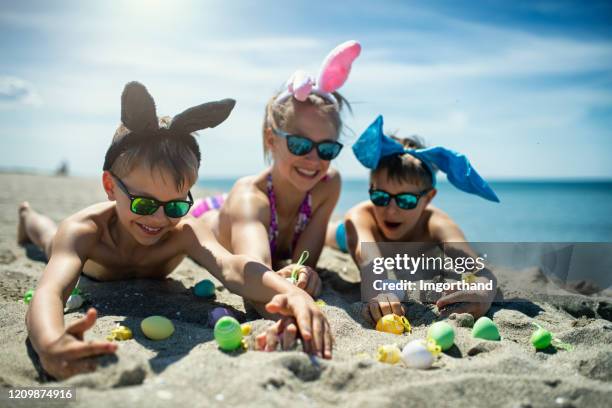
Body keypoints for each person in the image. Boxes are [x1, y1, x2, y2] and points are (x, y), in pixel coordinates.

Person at [18, 81, 332, 379]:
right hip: (96, 267)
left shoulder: (182, 230)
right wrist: (50, 344)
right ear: (110, 186)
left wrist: (288, 291)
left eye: (174, 206)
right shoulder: (84, 231)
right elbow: (50, 291)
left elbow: (232, 267)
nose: (158, 219)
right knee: (47, 237)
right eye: (143, 204)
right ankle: (27, 215)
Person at [192, 41, 361, 352]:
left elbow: (301, 262)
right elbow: (254, 269)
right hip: (219, 213)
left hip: (268, 221)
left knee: (333, 234)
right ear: (272, 140)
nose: (313, 159)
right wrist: (288, 306)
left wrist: (302, 275)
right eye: (299, 145)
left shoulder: (328, 184)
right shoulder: (251, 197)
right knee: (215, 217)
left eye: (326, 149)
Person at [326, 115, 500, 325]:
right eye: (380, 197)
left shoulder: (436, 223)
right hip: (350, 236)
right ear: (370, 190)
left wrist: (483, 288)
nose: (391, 210)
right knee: (328, 234)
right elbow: (369, 263)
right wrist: (378, 294)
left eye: (406, 200)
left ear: (428, 198)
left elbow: (478, 268)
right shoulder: (361, 216)